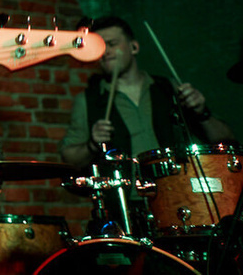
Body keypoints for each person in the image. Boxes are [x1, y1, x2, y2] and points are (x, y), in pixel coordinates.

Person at [60, 16, 234, 170]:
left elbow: (226, 140)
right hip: (128, 195)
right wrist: (92, 144)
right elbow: (70, 160)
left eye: (112, 44)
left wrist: (202, 113)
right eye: (100, 47)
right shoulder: (87, 100)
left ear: (134, 47)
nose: (106, 52)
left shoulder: (169, 88)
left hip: (178, 188)